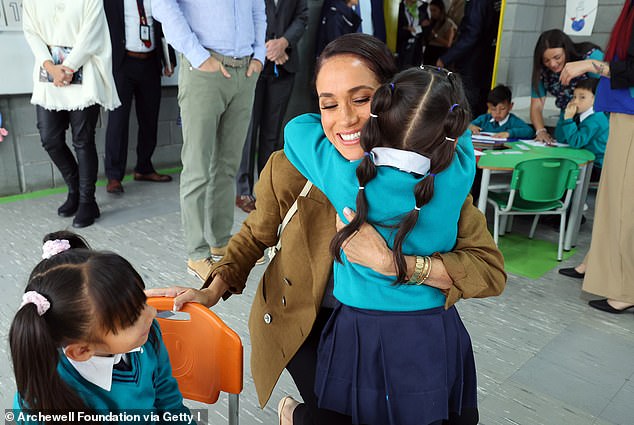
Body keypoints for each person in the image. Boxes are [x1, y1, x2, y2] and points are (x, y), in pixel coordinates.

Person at [146, 34, 506, 425]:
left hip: (408, 331)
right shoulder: (292, 167)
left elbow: (488, 271)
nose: (345, 119)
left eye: (362, 99)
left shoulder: (430, 172)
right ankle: (297, 414)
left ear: (393, 100)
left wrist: (394, 264)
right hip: (308, 323)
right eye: (328, 104)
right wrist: (212, 288)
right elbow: (254, 235)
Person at [284, 63, 478, 424]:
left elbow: (296, 130)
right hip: (430, 325)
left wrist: (349, 123)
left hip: (360, 328)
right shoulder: (459, 172)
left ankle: (293, 415)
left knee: (358, 414)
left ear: (376, 116)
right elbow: (460, 133)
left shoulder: (346, 175)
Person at [10, 233, 190, 422]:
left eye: (142, 300)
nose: (152, 313)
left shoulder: (148, 336)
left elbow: (169, 403)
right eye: (132, 317)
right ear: (81, 350)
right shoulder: (43, 402)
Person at [152, 0, 265, 281]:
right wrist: (197, 54)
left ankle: (221, 242)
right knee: (197, 168)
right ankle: (196, 253)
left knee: (227, 166)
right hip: (205, 68)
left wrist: (260, 54)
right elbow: (162, 5)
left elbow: (257, 9)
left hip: (245, 70)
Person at [559, 0, 634, 314]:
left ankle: (627, 288)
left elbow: (630, 68)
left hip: (630, 113)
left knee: (624, 206)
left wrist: (590, 66)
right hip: (623, 110)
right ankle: (598, 263)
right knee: (611, 199)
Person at [22, 0, 120, 228]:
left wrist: (69, 66)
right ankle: (75, 187)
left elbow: (92, 32)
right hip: (49, 76)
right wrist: (51, 67)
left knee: (83, 140)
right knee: (50, 139)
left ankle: (87, 201)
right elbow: (31, 32)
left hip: (84, 71)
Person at [235, 0, 309, 213]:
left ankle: (266, 188)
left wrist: (284, 42)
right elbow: (245, 17)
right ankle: (243, 191)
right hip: (253, 62)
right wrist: (270, 47)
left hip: (284, 65)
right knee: (249, 132)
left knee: (272, 132)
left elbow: (302, 17)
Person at [104, 0, 177, 195]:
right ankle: (113, 175)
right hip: (122, 64)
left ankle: (144, 167)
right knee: (118, 120)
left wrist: (169, 59)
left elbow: (164, 26)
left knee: (149, 118)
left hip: (150, 62)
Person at [530, 29, 603, 144]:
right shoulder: (542, 71)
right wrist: (540, 131)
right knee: (563, 145)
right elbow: (536, 105)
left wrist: (587, 66)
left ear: (566, 50)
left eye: (557, 57)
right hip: (567, 115)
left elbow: (612, 79)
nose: (552, 64)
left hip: (594, 115)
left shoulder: (589, 56)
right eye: (546, 60)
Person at [436, 0, 500, 117]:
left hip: (472, 62)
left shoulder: (477, 2)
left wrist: (446, 58)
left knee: (468, 105)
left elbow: (472, 34)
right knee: (478, 104)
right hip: (484, 61)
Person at [554, 78, 608, 181]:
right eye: (574, 97)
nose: (575, 101)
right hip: (585, 160)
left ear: (597, 99)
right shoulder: (581, 115)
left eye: (582, 97)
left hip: (597, 167)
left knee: (562, 173)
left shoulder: (596, 119)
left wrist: (568, 120)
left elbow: (576, 142)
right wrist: (564, 115)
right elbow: (560, 138)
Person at [469, 84, 535, 139]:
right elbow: (468, 126)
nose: (497, 113)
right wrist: (470, 127)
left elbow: (530, 131)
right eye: (493, 109)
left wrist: (509, 133)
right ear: (488, 107)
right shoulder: (484, 119)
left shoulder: (513, 121)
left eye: (502, 108)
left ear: (510, 106)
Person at [396, 0, 429, 69]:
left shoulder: (422, 7)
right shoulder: (398, 6)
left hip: (417, 47)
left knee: (414, 72)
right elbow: (398, 29)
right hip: (401, 46)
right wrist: (418, 28)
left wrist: (414, 29)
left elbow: (427, 28)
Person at [422, 0, 457, 66]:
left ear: (441, 10)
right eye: (431, 11)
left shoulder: (448, 23)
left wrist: (435, 35)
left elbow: (448, 44)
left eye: (434, 10)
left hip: (440, 53)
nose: (432, 13)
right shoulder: (431, 22)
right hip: (429, 52)